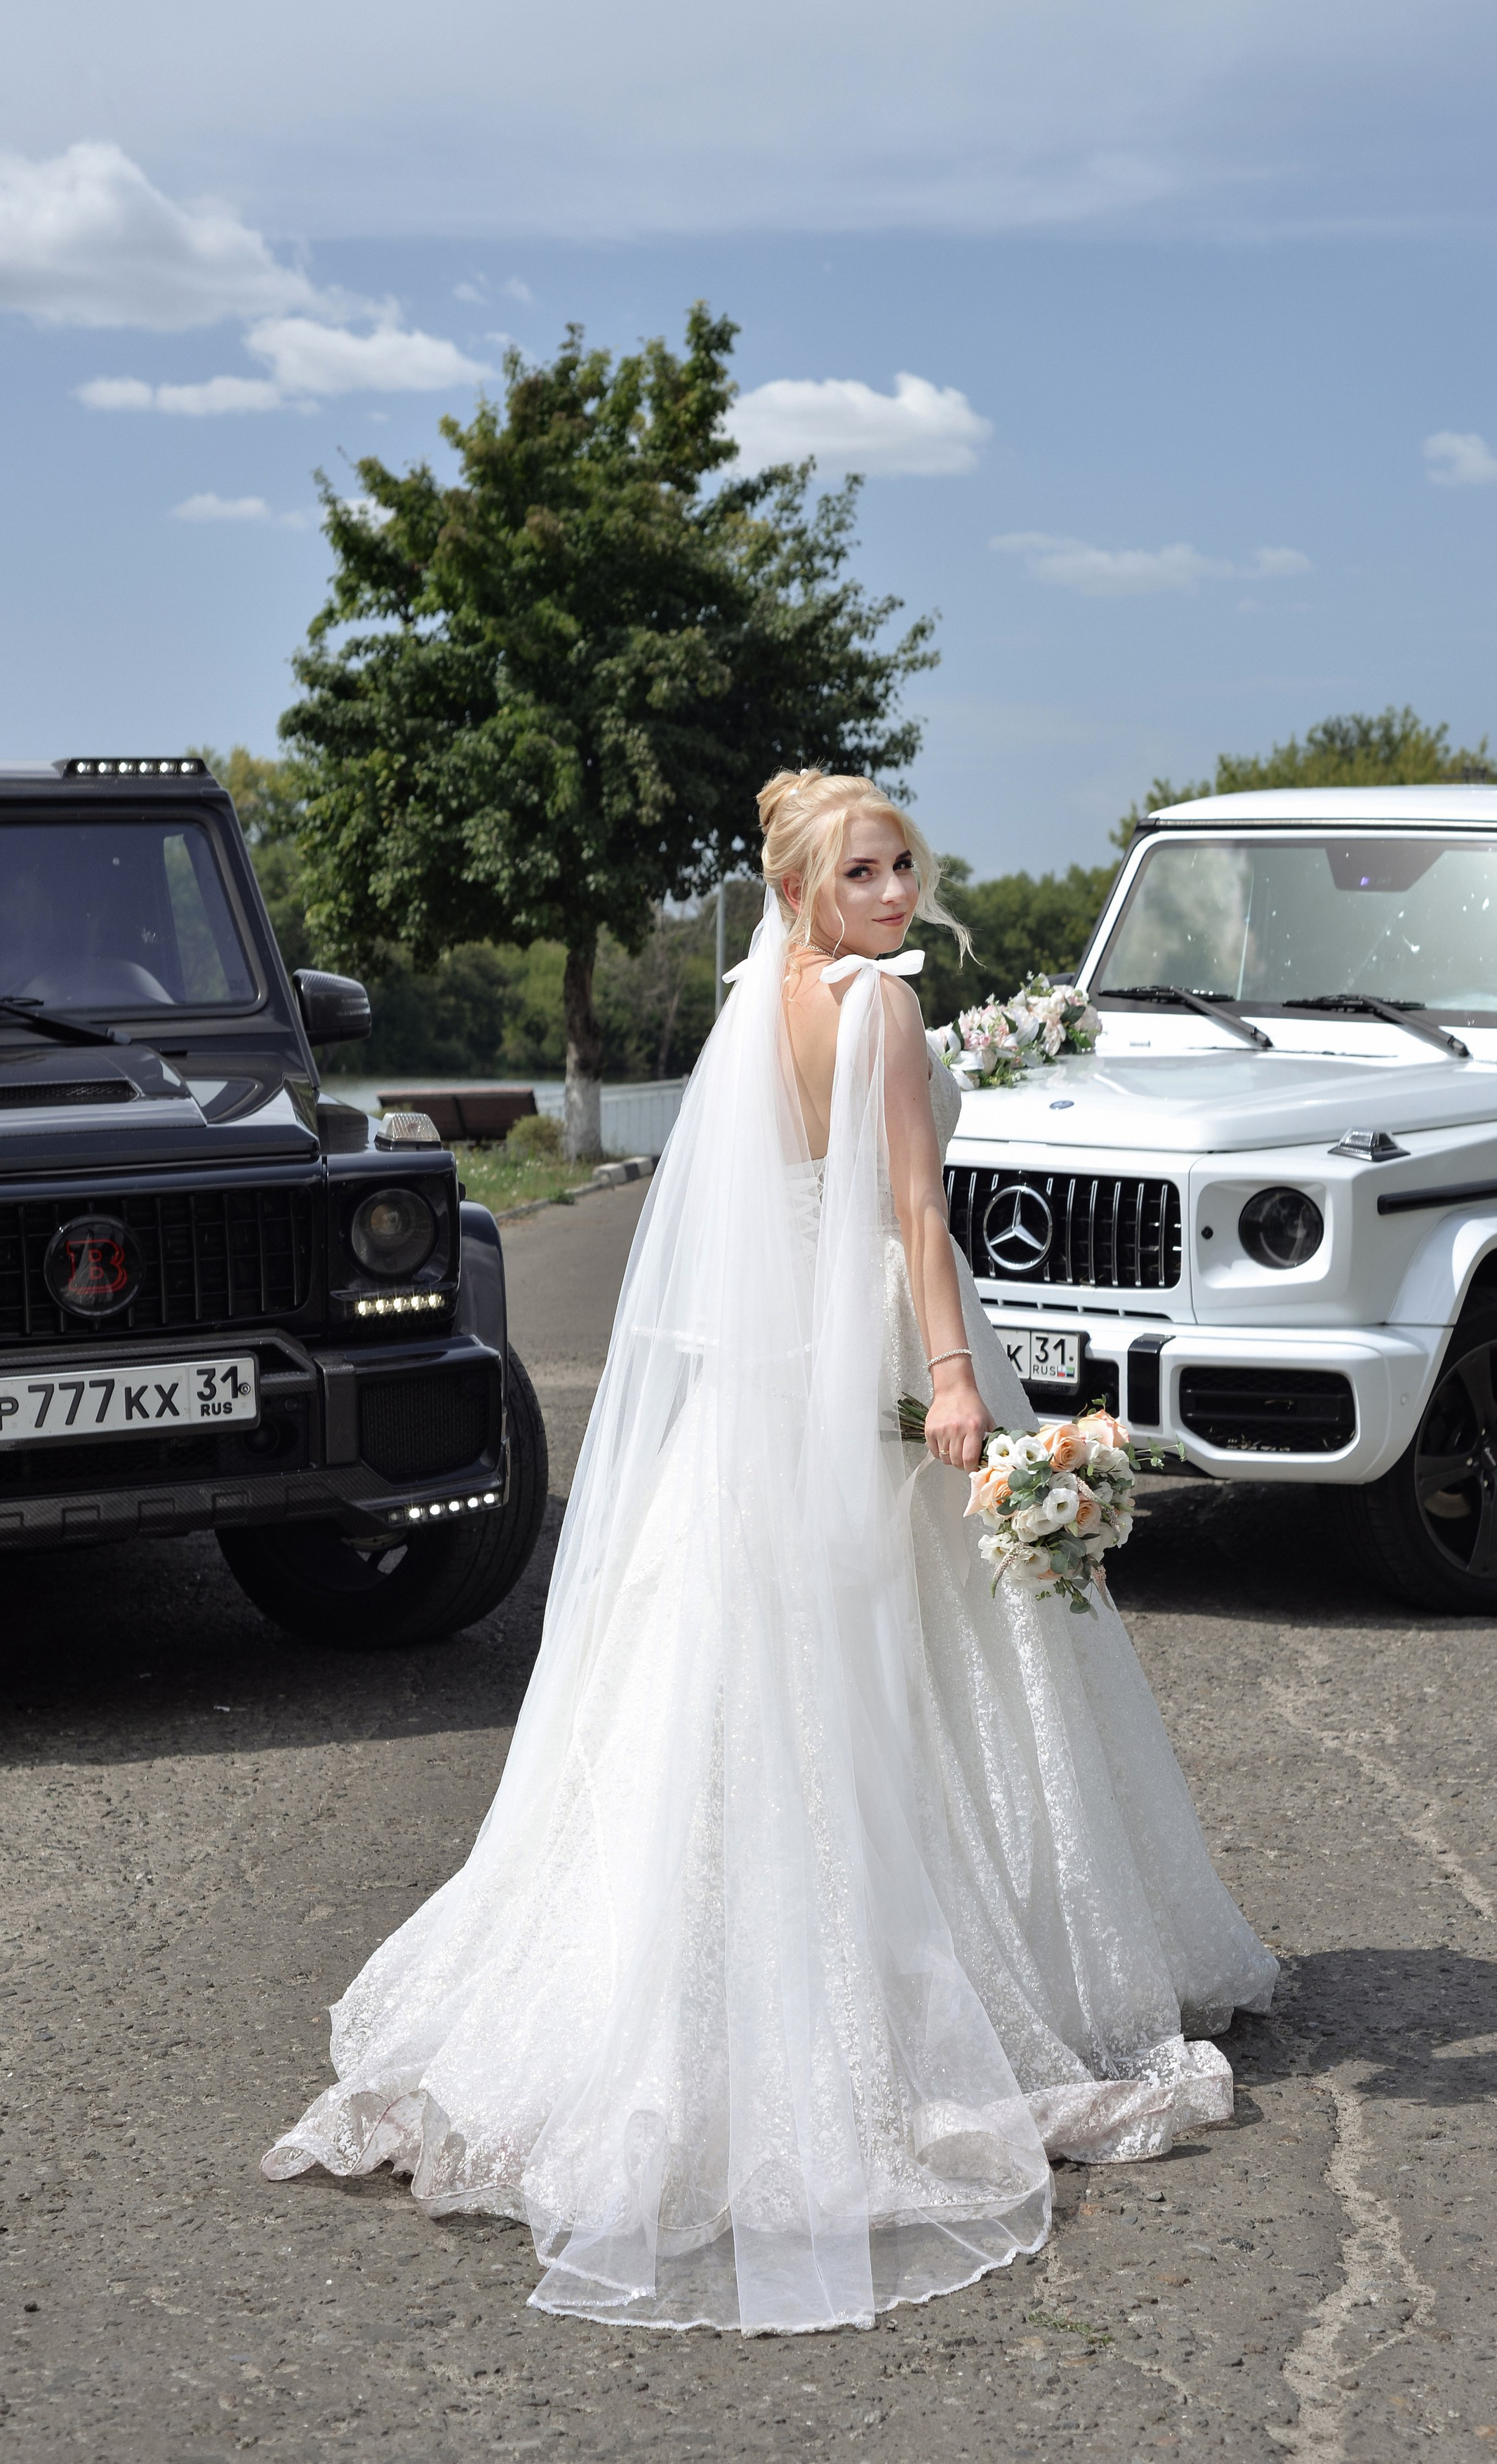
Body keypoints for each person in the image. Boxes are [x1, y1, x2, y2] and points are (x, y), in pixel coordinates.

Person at [262, 769, 1276, 2333]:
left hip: (758, 1386)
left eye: (900, 867)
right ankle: (907, 1982)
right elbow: (916, 1212)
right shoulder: (872, 1005)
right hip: (870, 1340)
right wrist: (952, 1379)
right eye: (861, 872)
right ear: (805, 890)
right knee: (915, 1657)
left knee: (737, 1663)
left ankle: (701, 1975)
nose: (889, 892)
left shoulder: (760, 1009)